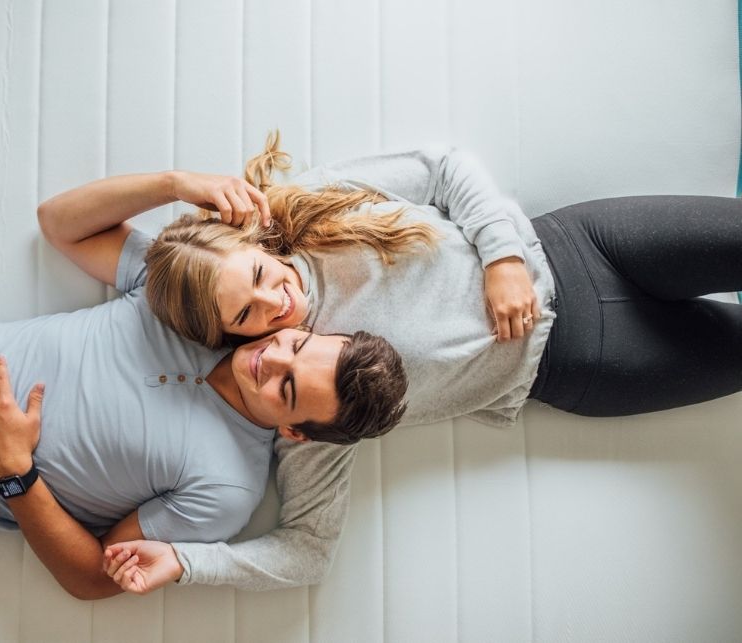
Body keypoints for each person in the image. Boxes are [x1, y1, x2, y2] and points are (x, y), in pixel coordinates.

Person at [95, 134, 742, 593]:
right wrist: (187, 561)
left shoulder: (315, 210)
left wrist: (503, 258)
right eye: (246, 317)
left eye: (261, 276)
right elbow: (307, 552)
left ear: (249, 245)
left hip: (572, 245)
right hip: (579, 362)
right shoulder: (312, 409)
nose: (273, 306)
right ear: (226, 334)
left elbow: (443, 164)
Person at [0, 187, 409, 600]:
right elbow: (60, 222)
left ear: (295, 432)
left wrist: (15, 471)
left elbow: (93, 578)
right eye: (293, 343)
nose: (269, 358)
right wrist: (178, 183)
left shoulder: (227, 489)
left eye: (287, 388)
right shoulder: (202, 308)